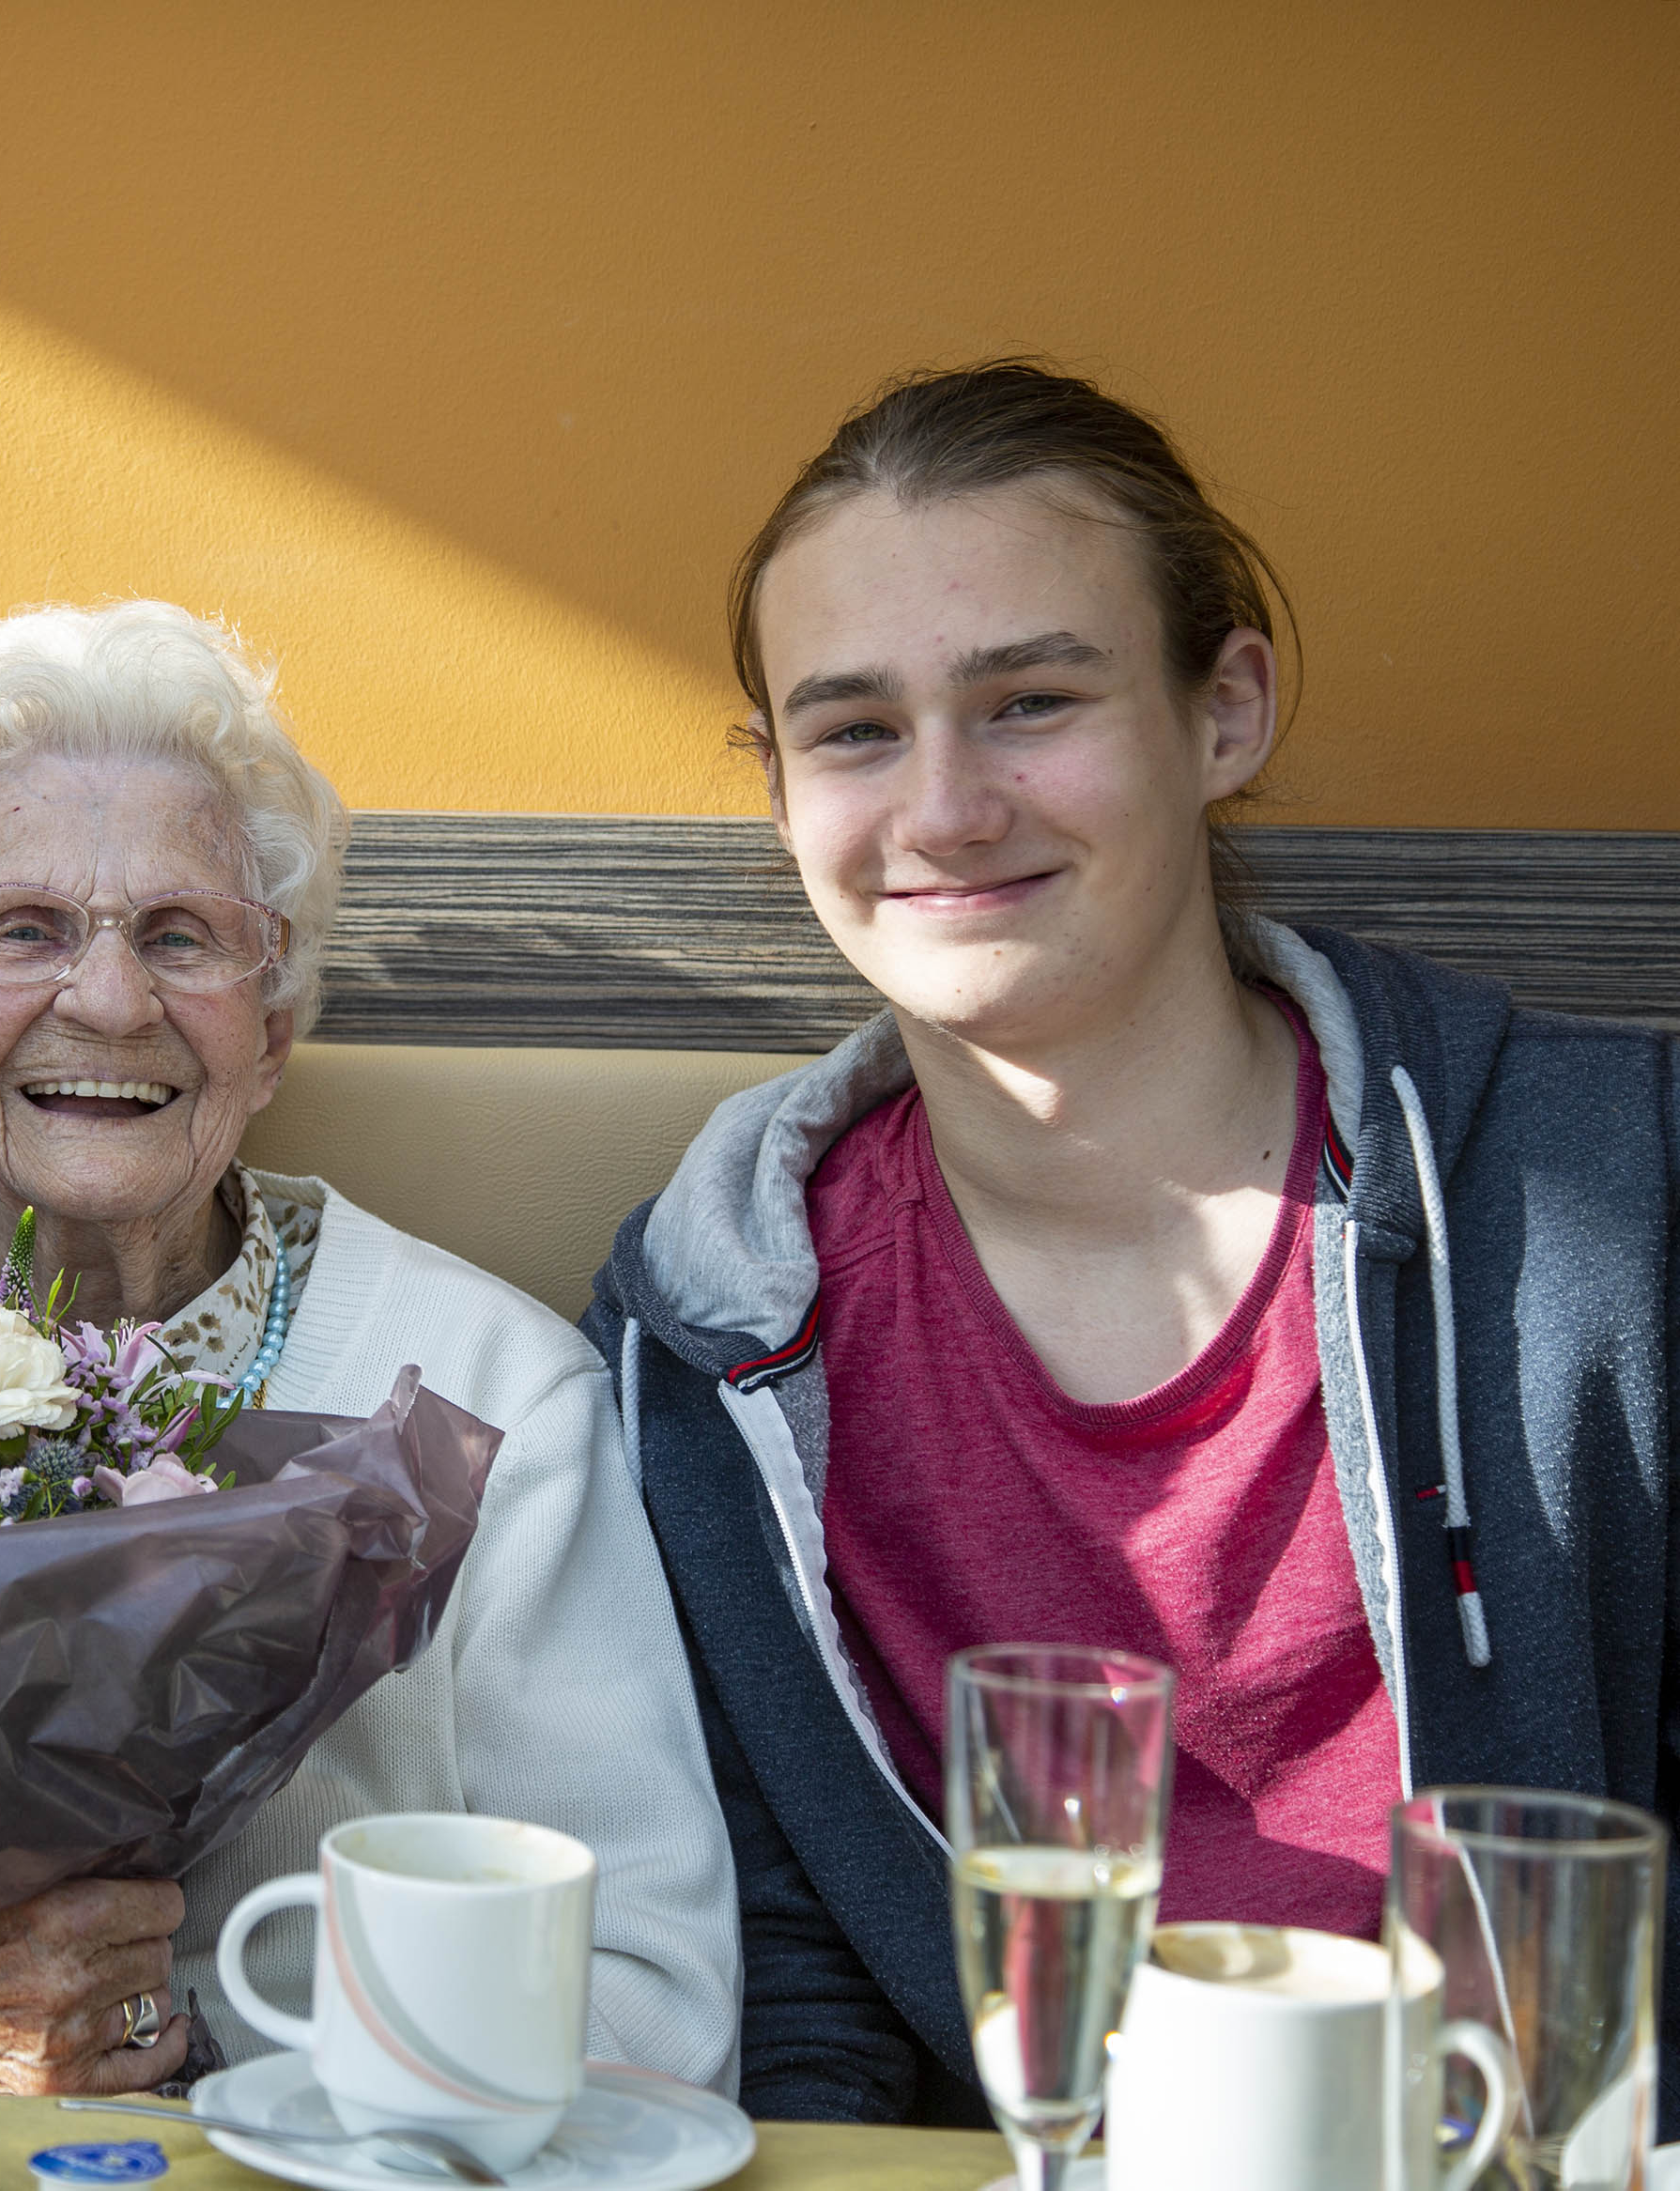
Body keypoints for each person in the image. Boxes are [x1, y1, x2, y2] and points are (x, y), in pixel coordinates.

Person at [585, 361, 1678, 2122]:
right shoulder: (701, 1340)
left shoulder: (1602, 1199)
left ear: (1224, 710)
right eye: (855, 730)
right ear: (780, 789)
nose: (945, 808)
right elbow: (794, 2002)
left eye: (1029, 700)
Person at [0, 600, 736, 2096]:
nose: (112, 1002)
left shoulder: (497, 1401)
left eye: (183, 936)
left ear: (276, 1022)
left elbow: (654, 1998)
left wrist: (210, 2073)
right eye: (23, 929)